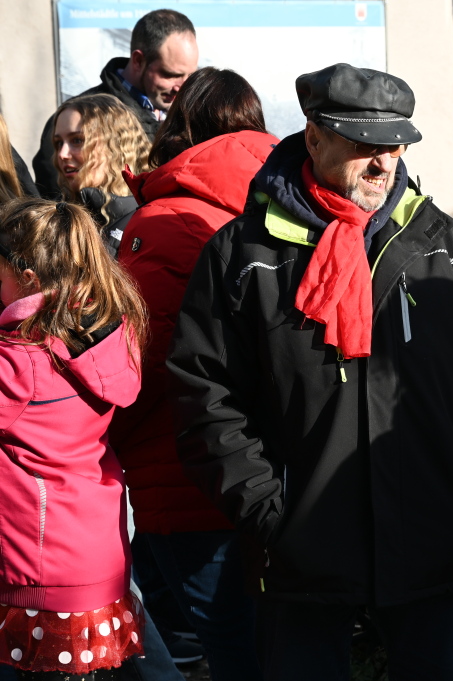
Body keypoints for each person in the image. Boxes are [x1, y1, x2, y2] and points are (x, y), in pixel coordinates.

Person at [165, 63, 453, 680]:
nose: (383, 162)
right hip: (300, 556)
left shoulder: (446, 246)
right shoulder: (242, 254)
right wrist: (270, 512)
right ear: (313, 138)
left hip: (432, 549)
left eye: (394, 145)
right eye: (363, 144)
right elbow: (205, 398)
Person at [109, 66, 277, 681]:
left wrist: (105, 439)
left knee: (221, 652)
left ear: (179, 125)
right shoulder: (294, 206)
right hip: (276, 475)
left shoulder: (162, 221)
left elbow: (139, 363)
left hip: (182, 472)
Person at [0, 197, 148, 680]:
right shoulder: (103, 335)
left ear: (26, 278)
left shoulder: (19, 363)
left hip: (39, 571)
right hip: (94, 560)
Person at [33, 9, 197, 198]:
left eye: (190, 76)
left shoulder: (188, 114)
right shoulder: (75, 116)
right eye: (170, 75)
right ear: (138, 60)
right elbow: (52, 193)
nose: (182, 87)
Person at [51, 93, 151, 256]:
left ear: (115, 147)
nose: (62, 154)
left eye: (77, 140)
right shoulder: (54, 219)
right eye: (59, 143)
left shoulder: (150, 220)